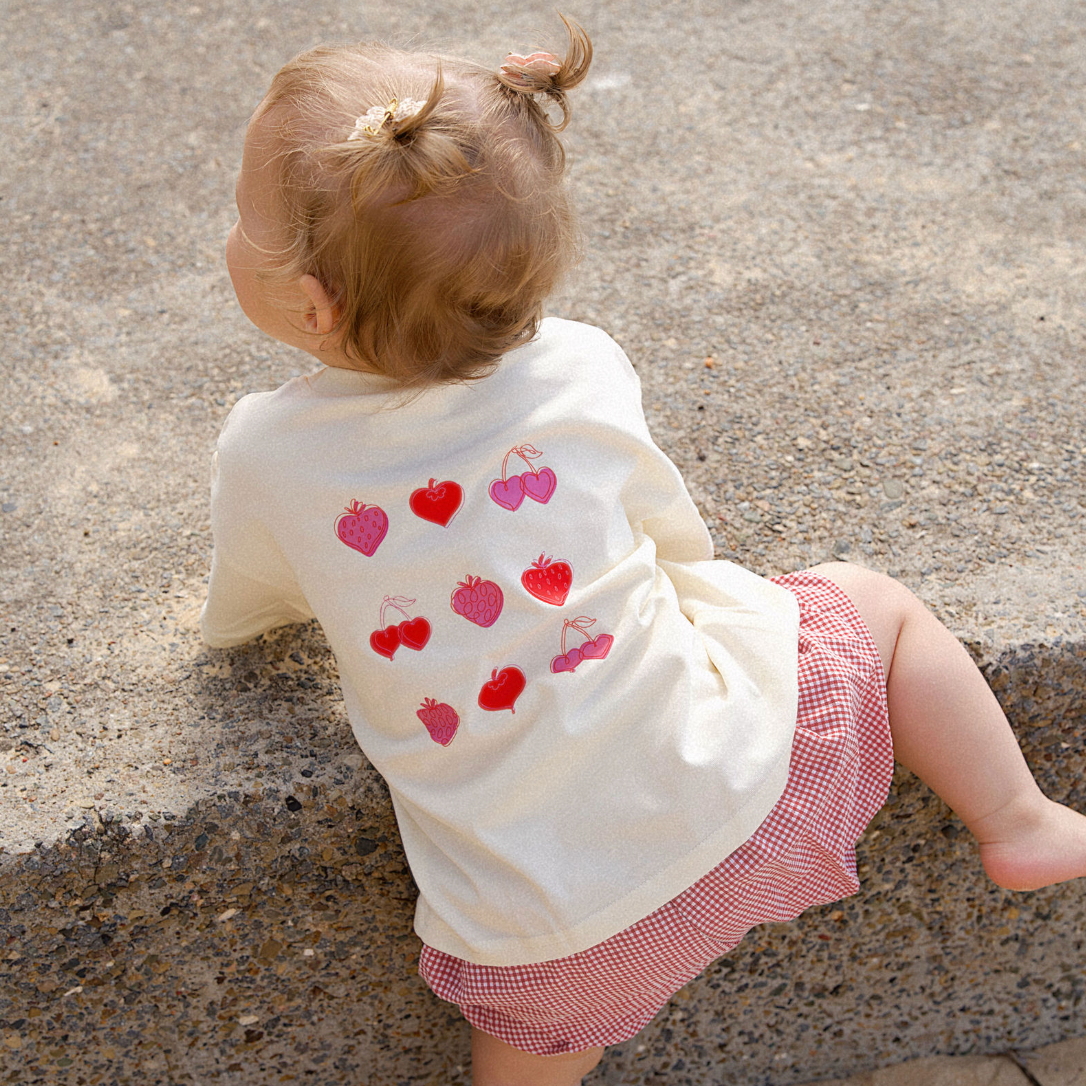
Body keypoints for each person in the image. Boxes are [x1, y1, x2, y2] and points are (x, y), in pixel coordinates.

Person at [200, 17, 1086, 1086]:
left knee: (529, 1050)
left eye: (241, 223)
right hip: (755, 795)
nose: (227, 236)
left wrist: (242, 625)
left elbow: (254, 600)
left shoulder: (269, 452)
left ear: (312, 302)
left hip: (554, 933)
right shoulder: (580, 364)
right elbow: (668, 531)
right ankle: (1018, 817)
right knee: (872, 604)